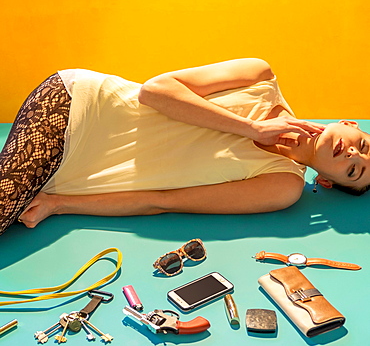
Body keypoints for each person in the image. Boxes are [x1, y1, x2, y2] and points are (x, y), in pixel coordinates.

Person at [1, 58, 369, 235]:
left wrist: (60, 204)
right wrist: (252, 127)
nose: (353, 154)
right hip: (75, 104)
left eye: (355, 170)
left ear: (327, 182)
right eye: (363, 145)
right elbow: (154, 91)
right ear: (351, 124)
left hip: (64, 177)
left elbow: (163, 199)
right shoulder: (260, 76)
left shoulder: (282, 186)